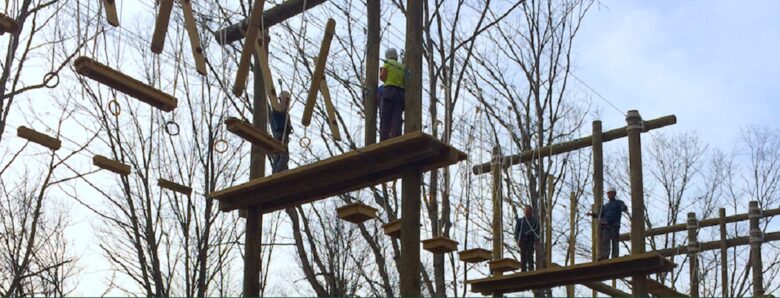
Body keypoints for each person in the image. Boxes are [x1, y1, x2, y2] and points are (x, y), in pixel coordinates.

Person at [588, 186, 630, 260]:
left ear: (614, 194)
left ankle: (615, 256)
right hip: (606, 226)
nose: (610, 195)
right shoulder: (605, 206)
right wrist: (593, 214)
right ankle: (605, 256)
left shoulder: (618, 202)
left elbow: (623, 207)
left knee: (615, 241)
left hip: (614, 225)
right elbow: (600, 215)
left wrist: (624, 208)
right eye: (608, 193)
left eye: (611, 193)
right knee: (605, 241)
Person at [379, 48, 405, 141]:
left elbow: (383, 77)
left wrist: (381, 72)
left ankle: (384, 137)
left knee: (386, 116)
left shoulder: (387, 63)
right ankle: (396, 136)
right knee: (397, 116)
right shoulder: (402, 66)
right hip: (400, 93)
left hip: (389, 91)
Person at [270, 91, 293, 173]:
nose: (287, 103)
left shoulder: (286, 114)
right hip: (280, 134)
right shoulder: (277, 110)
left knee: (279, 155)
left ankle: (276, 172)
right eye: (286, 100)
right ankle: (278, 172)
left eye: (288, 101)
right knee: (284, 156)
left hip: (282, 135)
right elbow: (276, 123)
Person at [514, 205, 540, 272]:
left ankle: (531, 270)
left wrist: (537, 240)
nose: (527, 211)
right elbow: (516, 231)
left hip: (530, 239)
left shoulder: (535, 221)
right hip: (522, 240)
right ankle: (523, 270)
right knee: (523, 255)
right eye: (526, 210)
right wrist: (517, 240)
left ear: (531, 211)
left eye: (528, 210)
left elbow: (537, 231)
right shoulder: (520, 221)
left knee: (530, 255)